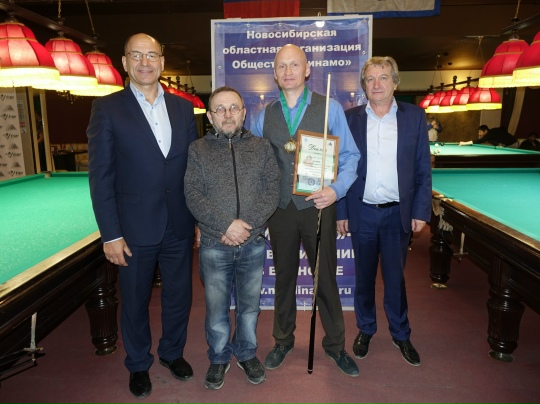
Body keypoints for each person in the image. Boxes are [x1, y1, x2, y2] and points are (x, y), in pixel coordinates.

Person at [87, 33, 198, 399]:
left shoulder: (183, 109)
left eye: (151, 55)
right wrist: (110, 234)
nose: (144, 62)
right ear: (125, 62)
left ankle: (172, 352)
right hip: (133, 228)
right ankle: (138, 363)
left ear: (162, 62)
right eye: (136, 55)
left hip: (178, 224)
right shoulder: (107, 108)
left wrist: (197, 220)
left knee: (179, 297)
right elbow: (101, 176)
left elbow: (191, 172)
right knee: (134, 301)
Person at [252, 44, 361, 377]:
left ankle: (336, 345)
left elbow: (350, 157)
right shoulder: (264, 115)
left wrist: (335, 190)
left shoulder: (330, 108)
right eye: (281, 66)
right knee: (283, 277)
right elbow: (253, 160)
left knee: (324, 277)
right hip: (280, 209)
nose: (288, 71)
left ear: (307, 70)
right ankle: (282, 340)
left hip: (318, 205)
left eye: (294, 65)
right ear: (274, 73)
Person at [337, 56, 432, 367]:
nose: (376, 84)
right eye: (370, 79)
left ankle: (400, 333)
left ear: (395, 82)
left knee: (395, 279)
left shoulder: (414, 117)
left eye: (383, 78)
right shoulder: (349, 119)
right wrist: (341, 210)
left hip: (397, 214)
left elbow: (422, 168)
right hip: (361, 213)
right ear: (364, 86)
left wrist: (421, 210)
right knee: (363, 279)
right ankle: (365, 329)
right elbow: (338, 167)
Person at [184, 86, 280, 390]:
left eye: (234, 108)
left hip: (252, 243)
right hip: (215, 244)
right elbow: (193, 194)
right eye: (220, 109)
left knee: (250, 307)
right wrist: (226, 226)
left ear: (244, 112)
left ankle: (247, 353)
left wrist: (245, 227)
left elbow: (272, 190)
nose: (227, 114)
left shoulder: (262, 147)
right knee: (216, 309)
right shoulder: (197, 150)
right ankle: (219, 357)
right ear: (210, 116)